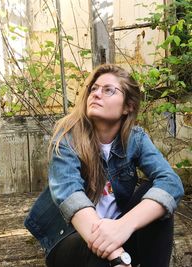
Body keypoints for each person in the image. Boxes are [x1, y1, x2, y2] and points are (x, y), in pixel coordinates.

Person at [24, 64, 184, 267]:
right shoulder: (67, 138)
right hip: (70, 240)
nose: (97, 94)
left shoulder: (136, 139)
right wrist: (116, 255)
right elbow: (69, 194)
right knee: (96, 252)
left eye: (108, 90)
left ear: (128, 106)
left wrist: (123, 227)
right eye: (94, 88)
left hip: (117, 232)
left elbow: (171, 182)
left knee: (157, 196)